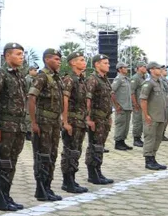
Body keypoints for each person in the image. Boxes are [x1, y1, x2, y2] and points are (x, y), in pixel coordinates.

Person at [0, 42, 28, 211]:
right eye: (17, 54)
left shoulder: (19, 76)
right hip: (5, 126)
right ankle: (0, 197)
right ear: (7, 56)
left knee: (11, 162)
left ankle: (6, 194)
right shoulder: (0, 74)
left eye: (22, 54)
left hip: (19, 126)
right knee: (2, 162)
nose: (21, 57)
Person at [28, 49, 65, 200]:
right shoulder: (42, 77)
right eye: (56, 59)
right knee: (42, 155)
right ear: (47, 59)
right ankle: (41, 188)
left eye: (59, 59)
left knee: (52, 155)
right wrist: (33, 122)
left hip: (54, 123)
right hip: (43, 122)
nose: (59, 61)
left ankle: (47, 186)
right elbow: (31, 98)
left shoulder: (56, 78)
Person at [59, 51, 91, 194]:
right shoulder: (69, 79)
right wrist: (65, 122)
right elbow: (64, 100)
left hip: (80, 121)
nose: (84, 62)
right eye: (81, 60)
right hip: (72, 120)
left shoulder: (81, 79)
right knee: (70, 151)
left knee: (76, 151)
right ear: (73, 62)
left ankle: (72, 178)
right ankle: (67, 181)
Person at [84, 54, 115, 184]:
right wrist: (88, 118)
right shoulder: (93, 79)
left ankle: (98, 171)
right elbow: (88, 100)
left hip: (104, 118)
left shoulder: (105, 80)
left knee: (100, 146)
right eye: (105, 63)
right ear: (97, 64)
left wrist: (109, 117)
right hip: (96, 119)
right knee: (94, 146)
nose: (108, 65)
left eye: (108, 63)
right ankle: (92, 174)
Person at [139, 62, 168, 170]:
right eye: (158, 68)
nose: (160, 70)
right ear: (151, 70)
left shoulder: (159, 82)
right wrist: (146, 115)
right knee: (150, 138)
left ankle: (153, 157)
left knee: (158, 138)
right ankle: (148, 160)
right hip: (152, 116)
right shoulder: (148, 83)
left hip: (160, 116)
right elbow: (143, 99)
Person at [111, 63, 133, 151]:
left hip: (127, 106)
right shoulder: (118, 79)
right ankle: (118, 142)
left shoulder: (126, 79)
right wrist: (116, 105)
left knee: (126, 126)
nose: (126, 69)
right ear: (119, 69)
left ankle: (122, 141)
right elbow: (111, 92)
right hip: (121, 107)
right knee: (120, 125)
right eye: (125, 67)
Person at [129, 63, 148, 147]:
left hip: (143, 104)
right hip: (138, 104)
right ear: (138, 68)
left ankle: (140, 137)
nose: (145, 68)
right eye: (143, 66)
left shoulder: (144, 78)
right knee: (137, 121)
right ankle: (136, 139)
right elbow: (132, 92)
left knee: (142, 121)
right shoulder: (135, 78)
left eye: (145, 66)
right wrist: (135, 103)